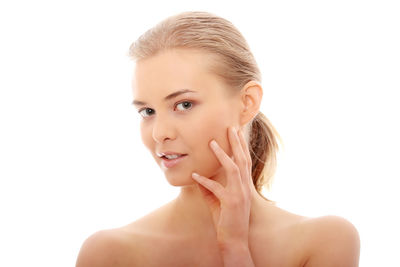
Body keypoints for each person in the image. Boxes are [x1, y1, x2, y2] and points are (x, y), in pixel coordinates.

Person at [76, 11, 360, 266]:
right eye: (147, 111)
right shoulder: (109, 254)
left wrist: (235, 250)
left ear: (247, 102)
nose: (159, 133)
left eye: (184, 105)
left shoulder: (325, 242)